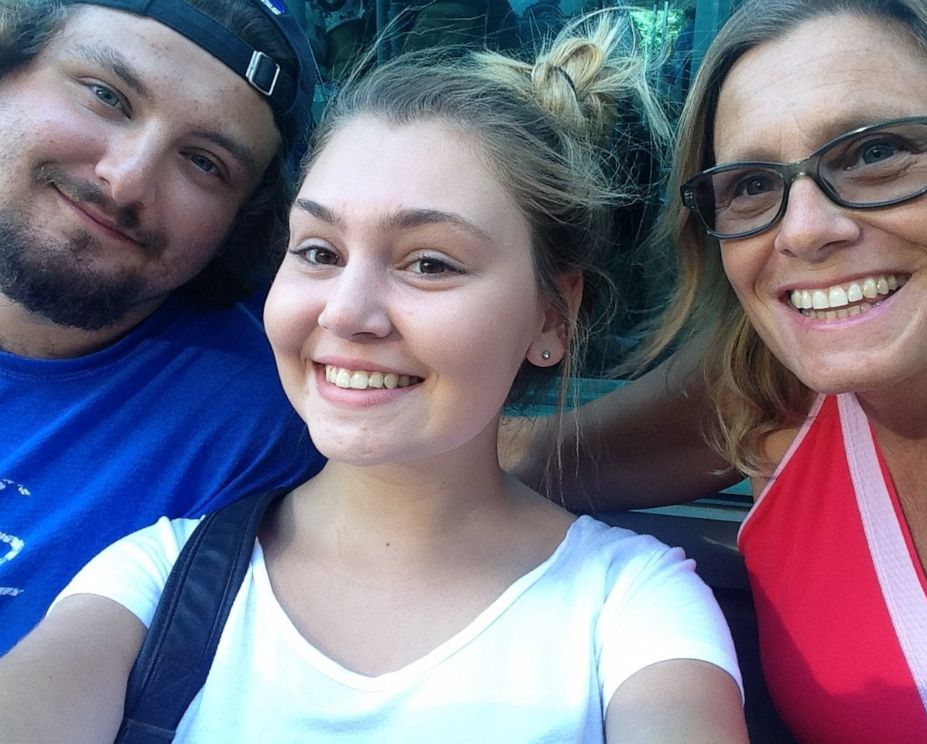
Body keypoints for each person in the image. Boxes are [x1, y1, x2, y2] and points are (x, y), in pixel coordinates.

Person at [0, 15, 747, 742]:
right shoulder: (150, 575)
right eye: (319, 252)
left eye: (430, 263)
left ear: (553, 315)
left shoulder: (632, 611)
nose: (347, 312)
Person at [512, 0, 927, 741]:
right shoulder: (773, 400)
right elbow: (539, 457)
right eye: (751, 185)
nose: (804, 229)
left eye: (874, 153)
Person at [0, 0, 326, 655]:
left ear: (242, 224)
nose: (124, 182)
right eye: (105, 95)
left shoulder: (256, 427)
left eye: (205, 162)